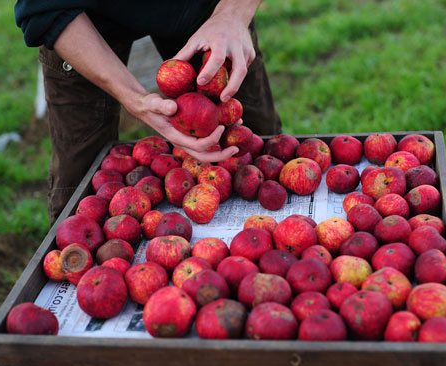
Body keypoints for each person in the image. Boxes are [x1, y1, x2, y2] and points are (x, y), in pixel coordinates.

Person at [15, 0, 282, 225]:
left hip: (203, 11)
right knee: (80, 195)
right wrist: (134, 98)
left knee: (260, 152)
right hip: (81, 19)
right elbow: (45, 7)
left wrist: (232, 15)